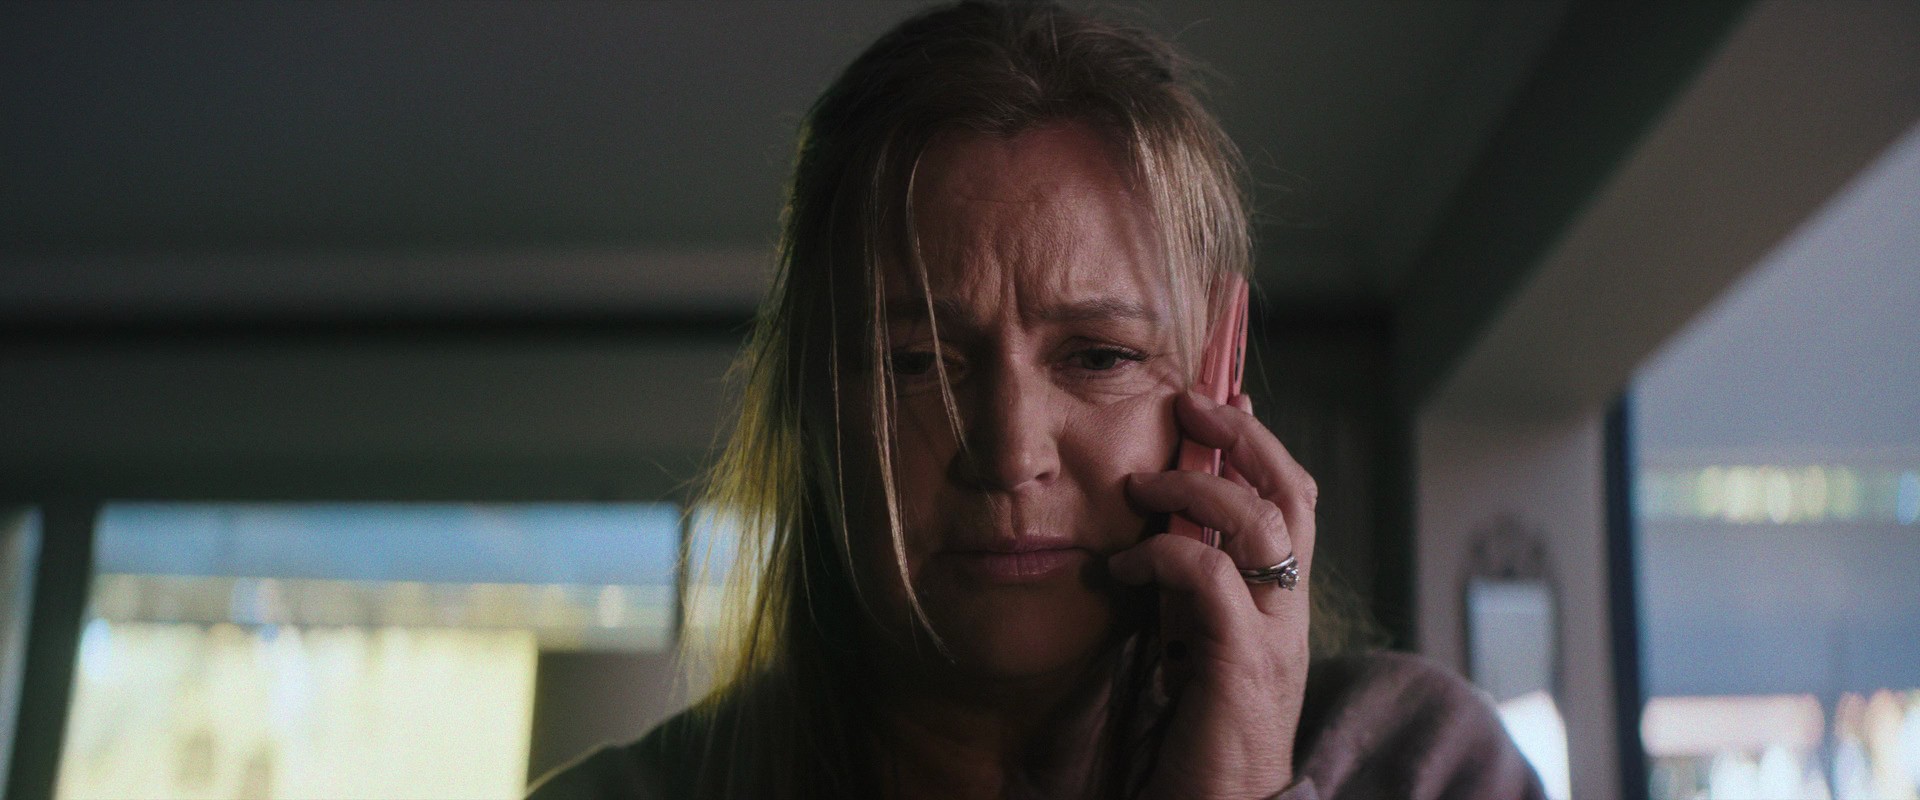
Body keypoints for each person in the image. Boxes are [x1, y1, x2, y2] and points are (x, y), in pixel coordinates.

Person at [532, 2, 1545, 798]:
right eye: (917, 362)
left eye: (1098, 355)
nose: (1011, 454)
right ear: (812, 397)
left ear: (1217, 379)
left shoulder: (1423, 766)